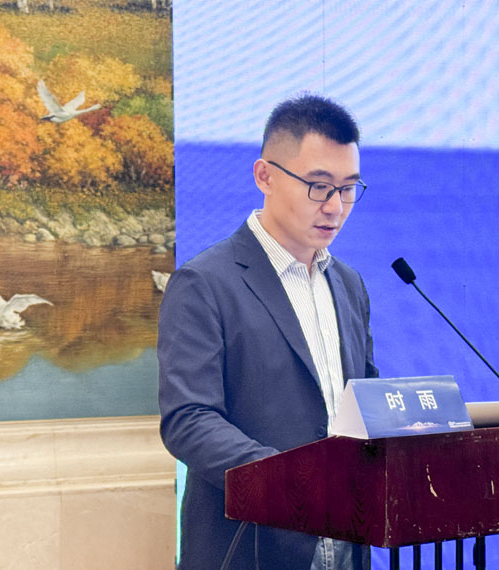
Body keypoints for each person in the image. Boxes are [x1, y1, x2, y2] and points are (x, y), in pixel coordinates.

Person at [158, 94, 378, 570]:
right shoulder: (205, 283)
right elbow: (188, 418)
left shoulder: (349, 285)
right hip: (253, 546)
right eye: (319, 187)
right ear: (265, 176)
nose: (335, 207)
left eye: (348, 189)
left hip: (346, 543)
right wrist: (292, 481)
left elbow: (362, 404)